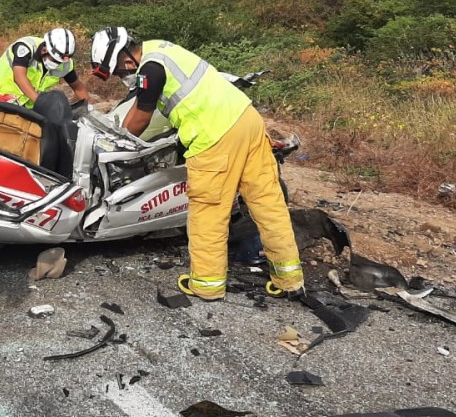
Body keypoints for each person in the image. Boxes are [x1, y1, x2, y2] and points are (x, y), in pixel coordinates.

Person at [90, 27, 304, 301]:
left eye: (119, 72)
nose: (123, 76)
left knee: (209, 211)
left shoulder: (149, 69)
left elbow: (141, 116)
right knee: (267, 203)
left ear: (125, 59)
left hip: (215, 136)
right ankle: (290, 279)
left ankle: (207, 284)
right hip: (247, 121)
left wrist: (117, 142)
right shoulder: (160, 47)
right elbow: (147, 102)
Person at [0, 28, 89, 109]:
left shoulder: (66, 64)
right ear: (44, 50)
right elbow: (19, 77)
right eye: (55, 60)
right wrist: (40, 101)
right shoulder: (26, 47)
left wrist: (86, 108)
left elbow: (78, 87)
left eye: (60, 62)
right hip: (2, 96)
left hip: (28, 105)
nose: (57, 64)